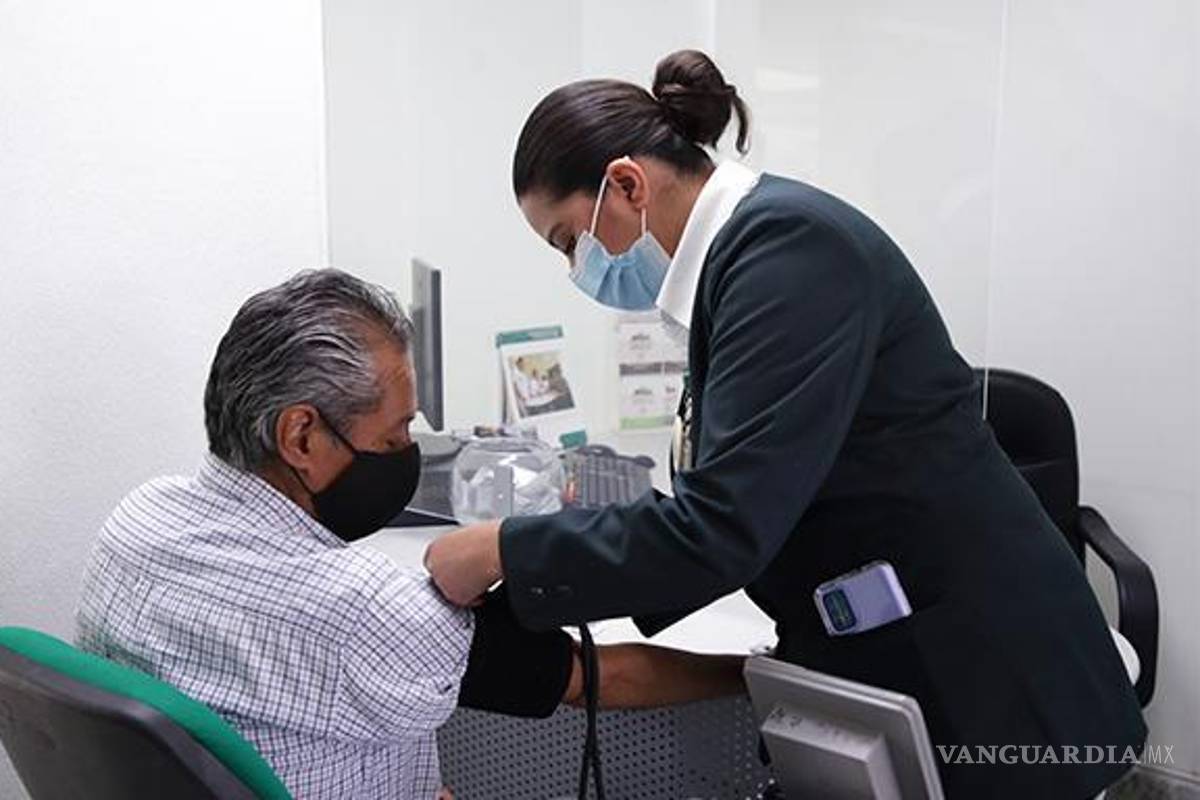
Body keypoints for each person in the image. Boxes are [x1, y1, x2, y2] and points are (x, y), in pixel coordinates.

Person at [423, 50, 1147, 798]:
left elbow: (723, 527)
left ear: (628, 184)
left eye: (570, 239)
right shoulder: (742, 266)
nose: (578, 266)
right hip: (887, 645)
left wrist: (502, 550)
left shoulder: (787, 252)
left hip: (983, 673)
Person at [76, 269, 745, 800]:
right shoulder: (369, 610)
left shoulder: (135, 521)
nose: (405, 450)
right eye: (395, 435)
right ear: (301, 436)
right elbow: (604, 679)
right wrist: (759, 673)